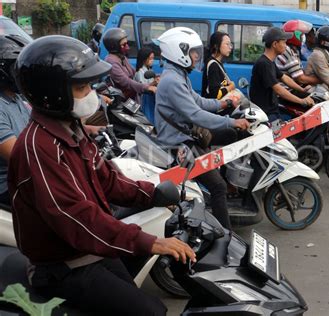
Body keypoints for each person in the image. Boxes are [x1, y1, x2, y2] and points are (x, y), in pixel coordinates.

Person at [9, 35, 195, 315]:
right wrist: (152, 241)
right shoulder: (38, 146)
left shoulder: (71, 129)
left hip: (85, 253)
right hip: (61, 267)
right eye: (82, 87)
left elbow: (108, 178)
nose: (91, 94)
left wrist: (153, 194)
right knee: (152, 311)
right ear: (52, 92)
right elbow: (76, 215)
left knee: (135, 290)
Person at [154, 27, 250, 229]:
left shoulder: (179, 75)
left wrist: (223, 105)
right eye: (193, 52)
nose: (197, 56)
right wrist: (231, 121)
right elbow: (195, 114)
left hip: (186, 136)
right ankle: (226, 236)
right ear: (178, 52)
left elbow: (198, 102)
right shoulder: (172, 81)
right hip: (179, 143)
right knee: (218, 186)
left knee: (231, 136)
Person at [249, 27, 315, 123]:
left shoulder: (270, 62)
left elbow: (284, 78)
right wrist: (302, 101)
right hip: (265, 114)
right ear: (275, 44)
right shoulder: (263, 64)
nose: (286, 45)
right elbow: (279, 90)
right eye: (284, 42)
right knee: (278, 136)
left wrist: (302, 90)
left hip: (272, 110)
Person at [0, 34, 31, 205]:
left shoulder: (19, 99)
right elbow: (20, 156)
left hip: (27, 176)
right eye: (17, 69)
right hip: (8, 186)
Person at [103, 28, 156, 102]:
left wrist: (155, 80)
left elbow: (134, 73)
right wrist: (147, 88)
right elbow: (126, 82)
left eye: (127, 43)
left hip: (131, 99)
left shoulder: (122, 57)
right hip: (122, 102)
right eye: (124, 44)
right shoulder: (112, 62)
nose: (127, 47)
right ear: (114, 46)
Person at [275, 20, 320, 86]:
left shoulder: (294, 50)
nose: (303, 37)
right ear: (294, 35)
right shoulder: (287, 50)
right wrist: (321, 81)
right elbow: (301, 79)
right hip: (288, 90)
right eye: (302, 35)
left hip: (293, 87)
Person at [201, 31, 235, 99]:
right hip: (213, 108)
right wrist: (230, 87)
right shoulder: (213, 65)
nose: (230, 47)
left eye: (230, 44)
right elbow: (215, 94)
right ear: (216, 46)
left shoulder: (217, 63)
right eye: (227, 44)